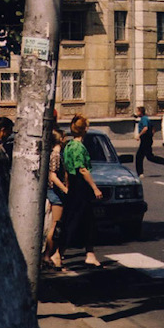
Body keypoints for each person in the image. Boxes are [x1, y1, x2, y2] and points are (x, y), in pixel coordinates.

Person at [58, 114, 103, 268]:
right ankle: (59, 254)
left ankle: (89, 253)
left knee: (85, 220)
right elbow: (82, 170)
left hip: (73, 186)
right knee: (74, 220)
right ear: (84, 129)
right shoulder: (78, 147)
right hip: (80, 187)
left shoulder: (68, 145)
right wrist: (95, 187)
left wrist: (67, 185)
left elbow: (66, 169)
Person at [43, 127, 68, 269]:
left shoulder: (53, 153)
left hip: (52, 191)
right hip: (55, 192)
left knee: (55, 225)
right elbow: (53, 175)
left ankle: (49, 254)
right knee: (55, 225)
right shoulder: (56, 154)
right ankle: (48, 255)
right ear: (59, 139)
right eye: (64, 137)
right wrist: (65, 189)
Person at [135, 106, 164, 177]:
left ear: (140, 112)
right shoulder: (145, 118)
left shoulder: (144, 119)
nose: (136, 112)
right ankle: (140, 173)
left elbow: (145, 128)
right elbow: (152, 128)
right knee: (141, 156)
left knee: (147, 157)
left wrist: (139, 135)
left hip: (145, 139)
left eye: (137, 111)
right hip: (146, 139)